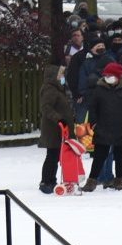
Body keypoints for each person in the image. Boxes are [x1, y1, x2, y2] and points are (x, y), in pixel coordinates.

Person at [83, 62, 122, 191]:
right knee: (99, 157)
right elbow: (92, 107)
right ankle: (91, 182)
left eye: (111, 75)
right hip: (102, 128)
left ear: (118, 76)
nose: (108, 77)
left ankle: (119, 181)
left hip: (121, 129)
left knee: (120, 157)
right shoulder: (99, 90)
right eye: (106, 75)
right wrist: (94, 123)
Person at [37, 65, 77, 194]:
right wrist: (59, 119)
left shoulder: (58, 89)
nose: (62, 77)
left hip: (59, 128)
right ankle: (46, 181)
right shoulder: (50, 89)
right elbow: (46, 108)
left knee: (55, 155)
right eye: (61, 75)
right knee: (52, 155)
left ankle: (50, 179)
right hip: (53, 128)